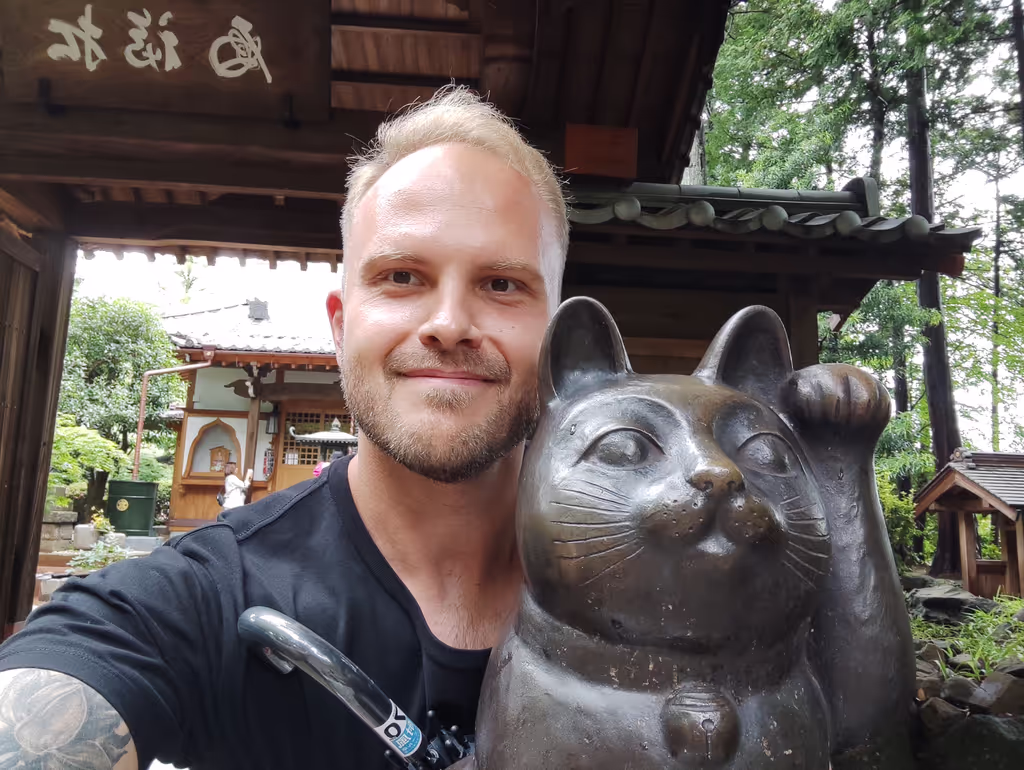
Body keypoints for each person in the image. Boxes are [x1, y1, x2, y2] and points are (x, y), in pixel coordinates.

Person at [0, 86, 568, 770]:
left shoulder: (672, 594)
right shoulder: (204, 597)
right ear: (338, 323)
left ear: (563, 336)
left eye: (502, 284)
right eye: (401, 276)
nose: (448, 323)